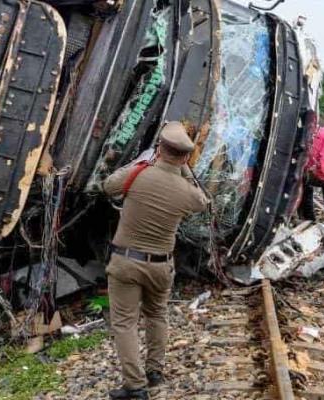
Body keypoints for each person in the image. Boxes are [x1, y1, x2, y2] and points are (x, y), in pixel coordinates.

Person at [101, 122, 209, 400]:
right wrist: (183, 168)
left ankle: (135, 386)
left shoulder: (139, 173)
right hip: (161, 266)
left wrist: (147, 160)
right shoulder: (186, 191)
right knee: (157, 314)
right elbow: (202, 201)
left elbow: (108, 185)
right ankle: (154, 371)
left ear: (159, 148)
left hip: (126, 264)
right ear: (185, 157)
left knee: (124, 323)